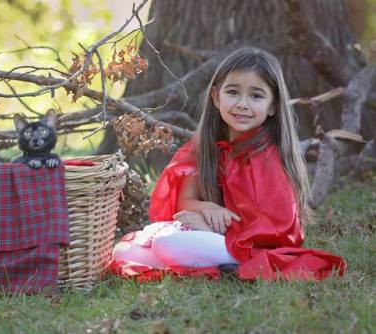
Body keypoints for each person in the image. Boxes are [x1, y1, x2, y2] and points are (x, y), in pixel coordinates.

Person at [109, 47, 346, 281]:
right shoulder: (206, 146)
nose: (243, 104)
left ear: (273, 105)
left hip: (253, 247)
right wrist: (207, 209)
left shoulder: (268, 157)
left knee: (165, 243)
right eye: (233, 92)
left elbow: (276, 227)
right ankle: (210, 263)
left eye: (256, 96)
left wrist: (210, 228)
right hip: (212, 239)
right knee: (125, 250)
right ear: (215, 96)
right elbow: (185, 201)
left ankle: (230, 263)